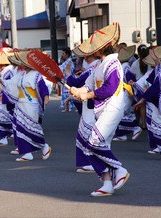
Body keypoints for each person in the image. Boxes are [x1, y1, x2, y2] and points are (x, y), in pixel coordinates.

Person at [70, 23, 130, 197]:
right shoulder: (100, 65)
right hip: (103, 109)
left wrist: (86, 96)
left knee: (94, 143)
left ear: (101, 49)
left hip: (112, 108)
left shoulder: (113, 63)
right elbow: (87, 87)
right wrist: (76, 92)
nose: (92, 51)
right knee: (94, 146)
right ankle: (107, 184)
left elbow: (109, 89)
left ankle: (119, 169)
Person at [0, 50, 51, 161]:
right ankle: (27, 153)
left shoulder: (36, 74)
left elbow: (43, 87)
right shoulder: (21, 74)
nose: (20, 65)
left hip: (31, 104)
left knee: (32, 127)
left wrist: (46, 97)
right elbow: (11, 84)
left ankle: (44, 146)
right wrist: (1, 80)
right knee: (20, 127)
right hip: (21, 104)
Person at [64, 46, 101, 173]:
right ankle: (90, 162)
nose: (85, 58)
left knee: (89, 133)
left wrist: (68, 73)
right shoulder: (97, 66)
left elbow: (78, 83)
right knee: (87, 133)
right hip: (94, 102)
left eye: (87, 55)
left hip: (92, 103)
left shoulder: (95, 66)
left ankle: (92, 162)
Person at [112, 45, 142, 141]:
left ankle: (135, 128)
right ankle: (121, 134)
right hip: (123, 93)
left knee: (119, 114)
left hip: (125, 93)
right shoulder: (124, 67)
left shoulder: (125, 68)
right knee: (120, 114)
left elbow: (131, 82)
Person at [59, 47, 75, 112]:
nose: (62, 55)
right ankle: (66, 106)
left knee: (68, 94)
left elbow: (70, 71)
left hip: (68, 80)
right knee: (66, 94)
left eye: (63, 53)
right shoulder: (66, 62)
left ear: (67, 54)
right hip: (65, 80)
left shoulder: (69, 62)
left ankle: (68, 107)